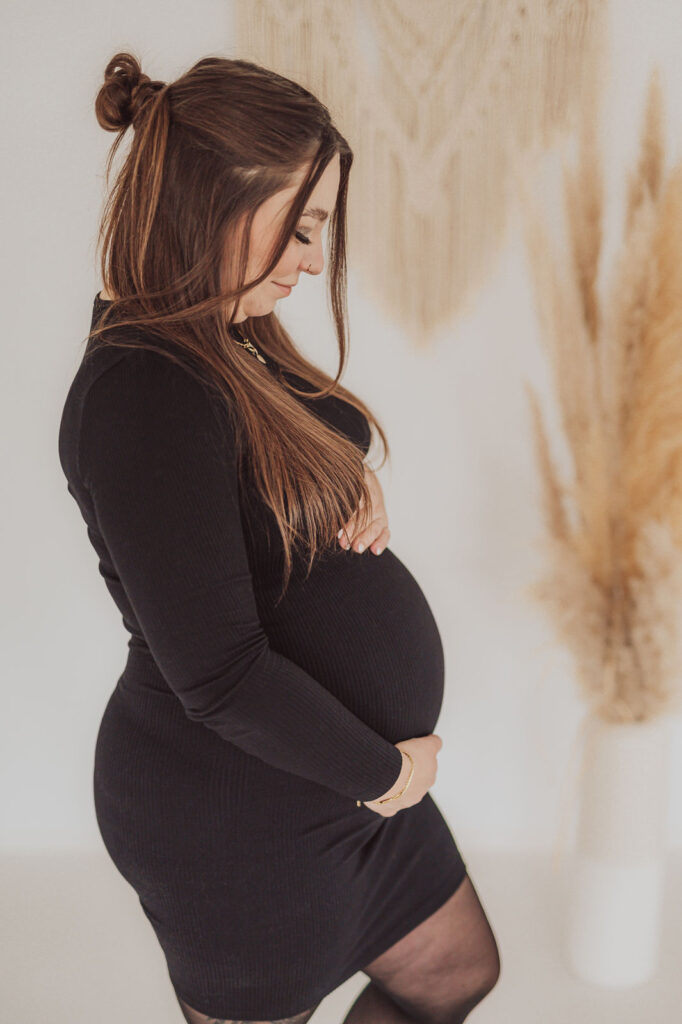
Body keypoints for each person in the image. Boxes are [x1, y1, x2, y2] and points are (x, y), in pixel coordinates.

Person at [58, 51, 500, 1024]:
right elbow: (218, 677)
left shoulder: (225, 333)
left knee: (452, 970)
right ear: (215, 199)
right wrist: (389, 772)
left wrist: (348, 478)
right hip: (239, 816)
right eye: (302, 227)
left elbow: (274, 467)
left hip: (334, 784)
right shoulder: (141, 390)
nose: (311, 257)